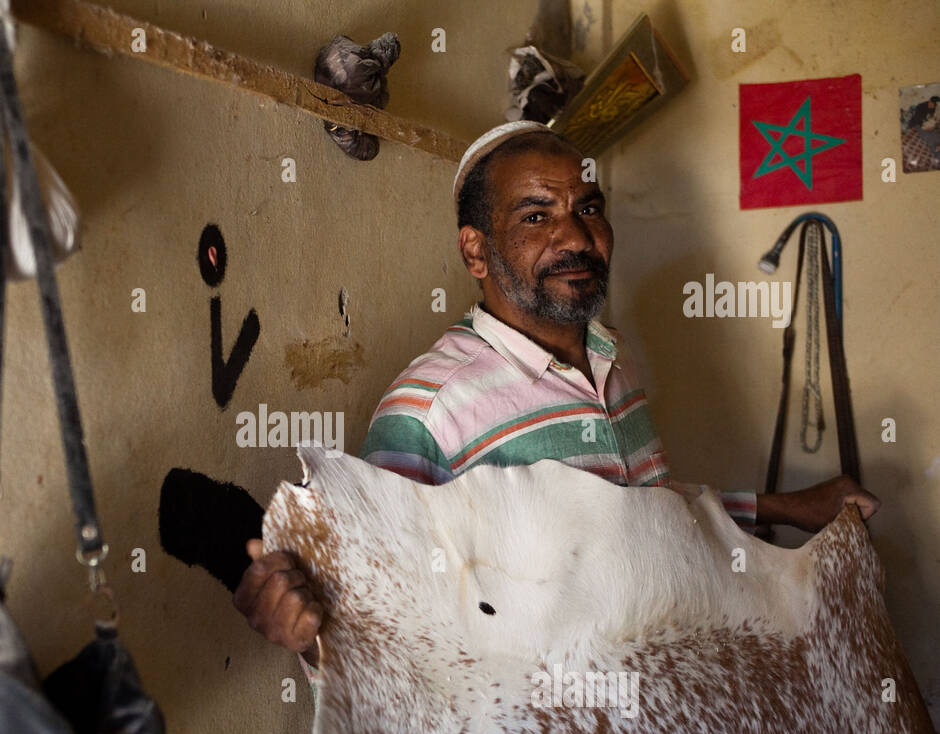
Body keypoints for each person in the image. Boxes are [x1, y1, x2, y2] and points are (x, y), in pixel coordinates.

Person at [233, 121, 879, 681]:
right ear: (476, 250)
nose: (575, 236)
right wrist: (308, 632)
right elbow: (381, 620)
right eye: (536, 216)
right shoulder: (429, 411)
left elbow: (649, 514)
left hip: (663, 714)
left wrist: (792, 507)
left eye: (589, 208)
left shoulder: (611, 358)